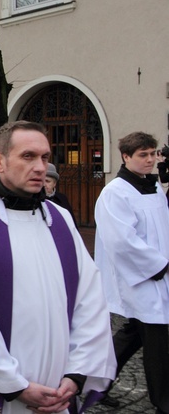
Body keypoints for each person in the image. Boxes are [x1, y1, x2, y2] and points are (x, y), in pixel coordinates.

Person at [0, 121, 116, 413]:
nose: (40, 167)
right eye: (28, 156)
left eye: (45, 157)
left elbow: (90, 300)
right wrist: (14, 384)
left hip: (57, 390)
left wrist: (76, 374)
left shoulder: (60, 219)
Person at [94, 131, 169, 413]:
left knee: (133, 334)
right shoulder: (115, 193)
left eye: (152, 154)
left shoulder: (153, 188)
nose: (150, 160)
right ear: (126, 157)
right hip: (139, 278)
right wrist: (158, 265)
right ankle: (163, 400)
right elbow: (122, 241)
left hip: (159, 274)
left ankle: (96, 384)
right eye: (143, 155)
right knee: (156, 338)